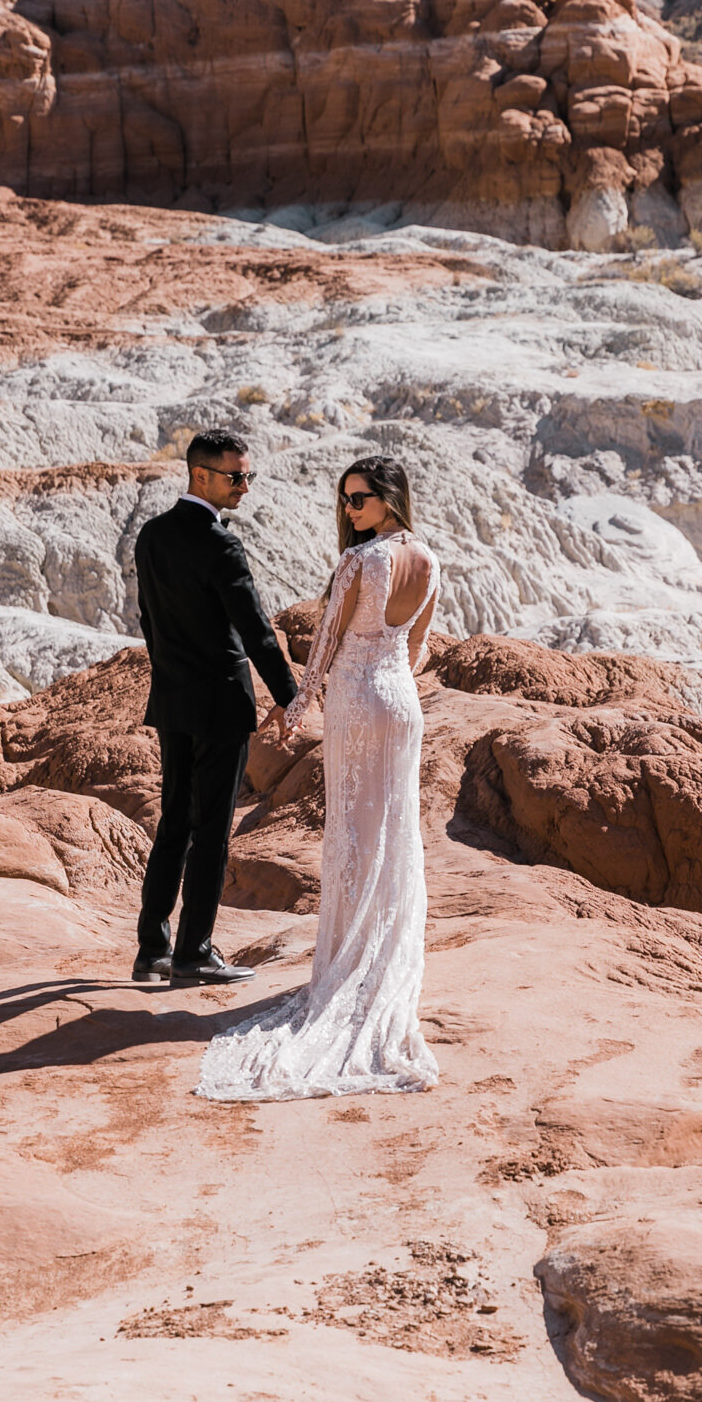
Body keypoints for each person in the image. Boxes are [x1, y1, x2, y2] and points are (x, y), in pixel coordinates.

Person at [197, 454, 440, 1101]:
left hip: (359, 704)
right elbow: (417, 650)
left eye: (359, 499)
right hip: (403, 704)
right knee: (395, 831)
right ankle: (380, 963)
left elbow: (328, 641)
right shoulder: (428, 560)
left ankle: (345, 966)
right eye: (345, 501)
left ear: (390, 498)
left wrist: (295, 708)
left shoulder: (362, 562)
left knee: (354, 832)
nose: (350, 511)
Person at [131, 430, 297, 986]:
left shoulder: (151, 535)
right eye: (236, 477)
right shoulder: (220, 543)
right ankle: (194, 951)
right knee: (212, 832)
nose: (245, 487)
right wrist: (292, 696)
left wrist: (169, 674)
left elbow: (149, 622)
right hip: (223, 704)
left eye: (249, 475)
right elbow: (255, 630)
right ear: (200, 475)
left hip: (173, 700)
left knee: (174, 822)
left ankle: (152, 947)